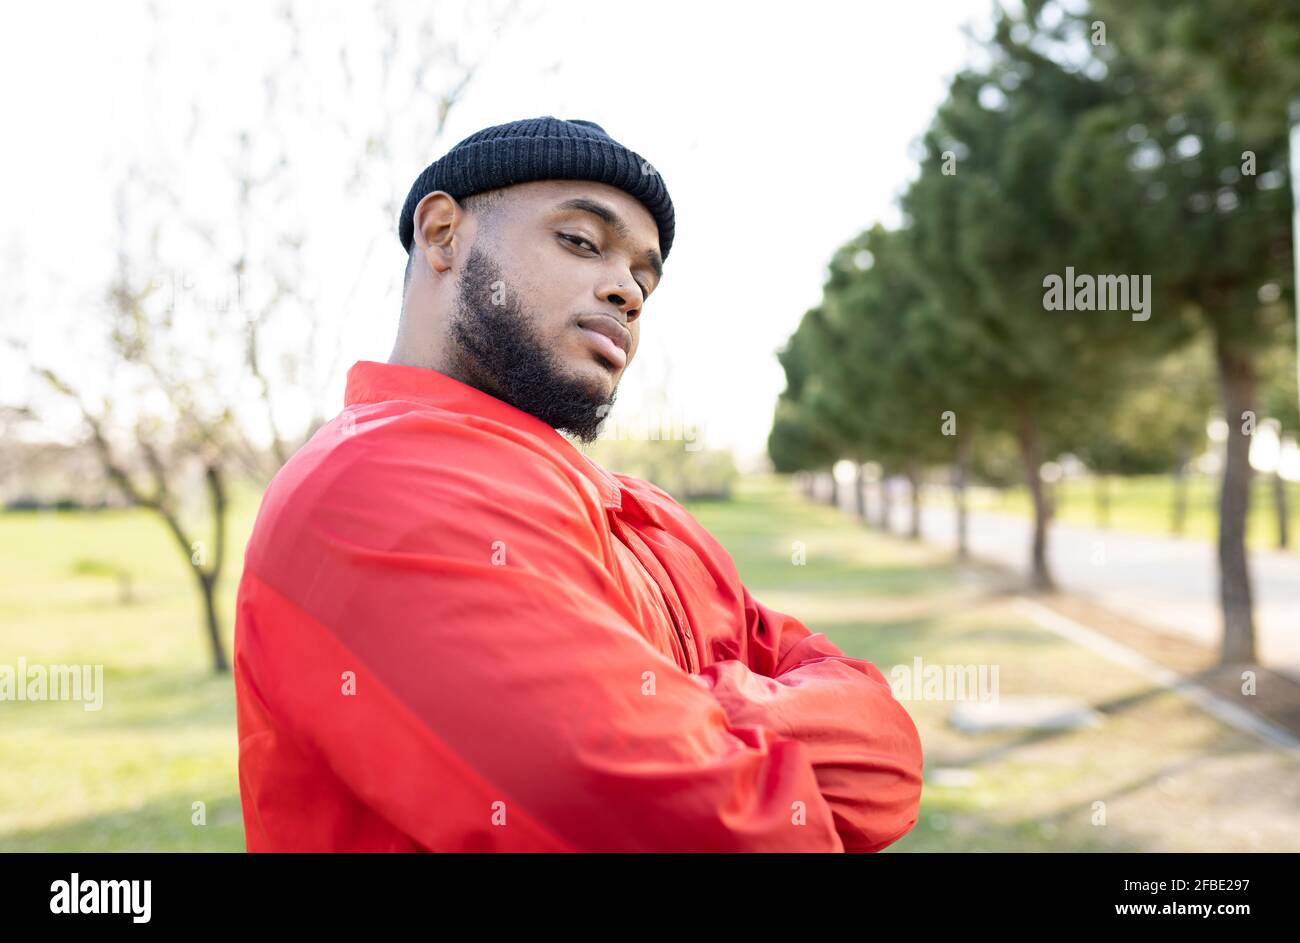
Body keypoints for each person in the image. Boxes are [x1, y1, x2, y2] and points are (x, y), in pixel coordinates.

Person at [233, 116, 923, 852]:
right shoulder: (370, 489)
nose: (627, 291)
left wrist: (692, 717)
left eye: (645, 278)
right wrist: (736, 720)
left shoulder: (646, 512)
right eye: (582, 242)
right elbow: (711, 831)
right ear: (442, 234)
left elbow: (889, 762)